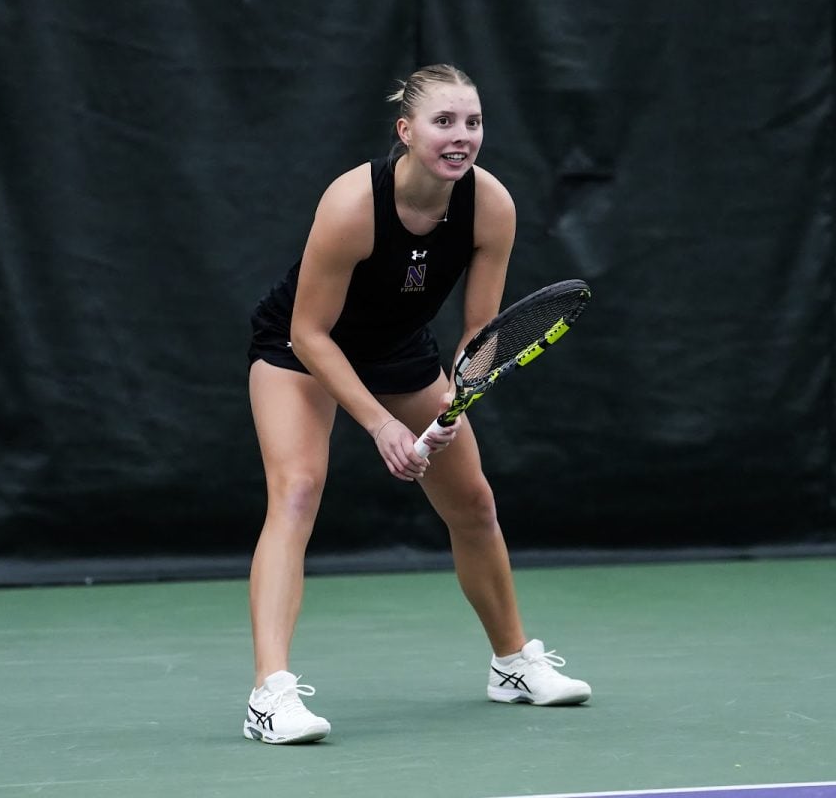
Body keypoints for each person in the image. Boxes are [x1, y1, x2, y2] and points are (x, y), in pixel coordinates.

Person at [243, 63, 590, 745]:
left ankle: (512, 664)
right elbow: (310, 334)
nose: (462, 136)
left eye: (473, 122)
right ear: (405, 131)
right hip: (299, 350)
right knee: (296, 493)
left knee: (475, 505)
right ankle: (269, 695)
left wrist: (464, 385)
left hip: (401, 352)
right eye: (444, 122)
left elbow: (479, 336)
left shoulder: (490, 206)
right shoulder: (352, 204)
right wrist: (377, 425)